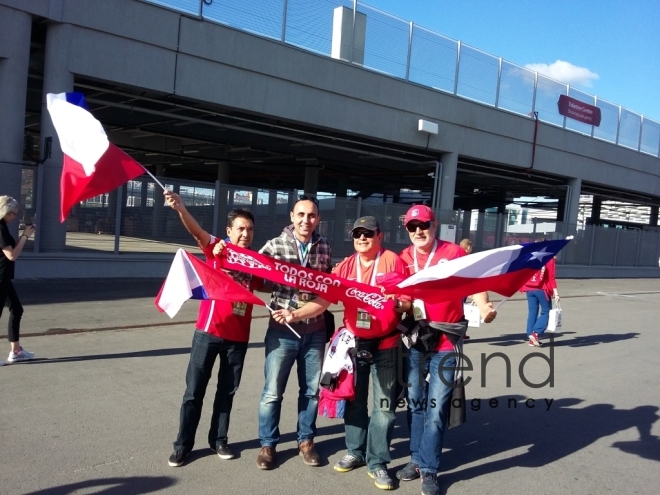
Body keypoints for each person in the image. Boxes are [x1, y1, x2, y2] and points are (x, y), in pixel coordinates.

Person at [273, 216, 411, 491]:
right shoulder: (346, 267)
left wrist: (397, 303)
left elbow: (408, 300)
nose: (362, 238)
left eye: (368, 234)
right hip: (354, 345)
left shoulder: (393, 261)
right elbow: (323, 300)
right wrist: (295, 313)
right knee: (355, 402)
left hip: (386, 344)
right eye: (357, 234)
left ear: (379, 236)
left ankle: (378, 462)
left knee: (383, 408)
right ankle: (356, 452)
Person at [396, 205, 496, 495]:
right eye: (412, 227)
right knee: (415, 404)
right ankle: (415, 459)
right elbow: (401, 296)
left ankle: (429, 469)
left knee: (436, 407)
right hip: (415, 339)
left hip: (446, 341)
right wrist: (396, 305)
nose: (418, 231)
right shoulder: (404, 258)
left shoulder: (453, 253)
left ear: (434, 224)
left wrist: (484, 306)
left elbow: (474, 281)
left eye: (423, 225)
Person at [164, 190, 262, 467]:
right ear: (229, 230)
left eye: (250, 229)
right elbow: (197, 232)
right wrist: (181, 208)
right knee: (194, 392)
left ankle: (218, 440)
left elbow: (270, 282)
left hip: (238, 338)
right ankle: (183, 445)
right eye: (240, 228)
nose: (245, 234)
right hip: (208, 333)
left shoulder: (256, 262)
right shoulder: (217, 248)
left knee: (226, 393)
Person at [255, 195, 332, 470]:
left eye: (311, 215)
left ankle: (306, 441)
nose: (306, 220)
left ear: (318, 219)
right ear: (291, 216)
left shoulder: (324, 247)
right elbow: (251, 271)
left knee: (311, 391)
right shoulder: (275, 246)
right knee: (272, 392)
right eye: (301, 215)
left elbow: (327, 288)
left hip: (315, 331)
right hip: (282, 331)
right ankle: (267, 444)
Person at [0, 196, 36, 366]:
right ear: (4, 212)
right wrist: (25, 236)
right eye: (13, 213)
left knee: (17, 309)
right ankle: (15, 351)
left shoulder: (3, 227)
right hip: (0, 278)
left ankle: (16, 351)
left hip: (4, 278)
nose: (15, 217)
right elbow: (12, 255)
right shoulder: (0, 229)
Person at [520, 245, 559, 347]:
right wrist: (556, 293)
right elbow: (551, 277)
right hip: (541, 289)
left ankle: (530, 336)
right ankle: (536, 333)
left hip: (529, 288)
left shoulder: (530, 257)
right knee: (547, 311)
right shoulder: (549, 259)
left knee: (532, 312)